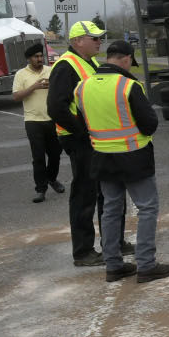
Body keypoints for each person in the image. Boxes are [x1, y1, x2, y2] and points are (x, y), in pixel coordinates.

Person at [75, 40, 169, 283]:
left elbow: (81, 123)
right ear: (127, 58)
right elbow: (150, 123)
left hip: (101, 157)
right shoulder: (128, 86)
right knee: (147, 208)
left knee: (110, 209)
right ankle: (146, 265)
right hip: (133, 156)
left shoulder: (82, 87)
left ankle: (113, 265)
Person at [48, 19, 130, 267]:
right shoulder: (65, 66)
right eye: (93, 38)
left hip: (95, 138)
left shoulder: (91, 62)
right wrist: (82, 132)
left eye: (99, 37)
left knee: (109, 189)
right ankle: (83, 251)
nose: (99, 41)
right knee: (85, 193)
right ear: (77, 41)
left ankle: (113, 242)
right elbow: (56, 107)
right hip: (80, 140)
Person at [11, 42, 64, 203]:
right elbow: (16, 96)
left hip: (52, 119)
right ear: (29, 59)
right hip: (33, 121)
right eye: (36, 57)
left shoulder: (50, 70)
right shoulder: (21, 74)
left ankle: (52, 178)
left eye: (41, 56)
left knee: (55, 155)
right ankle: (41, 189)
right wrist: (34, 86)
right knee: (38, 157)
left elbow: (61, 90)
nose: (40, 59)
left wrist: (52, 85)